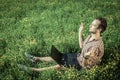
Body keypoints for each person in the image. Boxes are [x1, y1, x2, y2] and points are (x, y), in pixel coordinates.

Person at [18, 17, 107, 72]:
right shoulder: (91, 36)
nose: (90, 26)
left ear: (99, 29)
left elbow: (85, 66)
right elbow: (81, 46)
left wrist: (86, 57)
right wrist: (80, 33)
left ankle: (33, 70)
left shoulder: (96, 47)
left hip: (81, 65)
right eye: (91, 24)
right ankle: (35, 59)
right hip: (78, 57)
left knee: (58, 66)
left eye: (93, 25)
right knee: (58, 56)